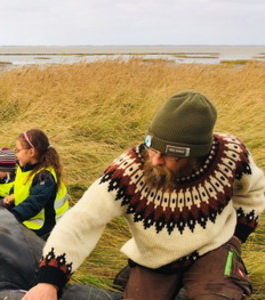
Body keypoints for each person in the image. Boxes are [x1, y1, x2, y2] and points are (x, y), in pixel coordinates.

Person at [22, 91, 265, 300]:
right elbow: (82, 220)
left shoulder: (229, 153)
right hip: (155, 259)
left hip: (213, 248)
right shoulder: (127, 172)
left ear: (196, 154)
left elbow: (254, 188)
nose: (155, 160)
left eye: (169, 156)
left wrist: (236, 236)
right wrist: (49, 280)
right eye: (152, 148)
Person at [2, 129, 70, 239]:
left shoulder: (45, 176)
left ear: (31, 152)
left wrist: (10, 219)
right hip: (30, 216)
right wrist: (13, 196)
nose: (16, 154)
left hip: (43, 224)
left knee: (9, 236)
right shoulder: (24, 166)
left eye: (18, 150)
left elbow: (33, 203)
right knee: (1, 205)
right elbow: (22, 186)